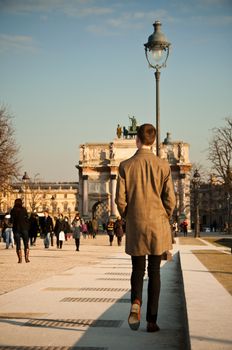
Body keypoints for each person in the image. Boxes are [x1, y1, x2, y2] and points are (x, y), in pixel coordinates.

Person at [115, 123, 176, 333]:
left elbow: (120, 200)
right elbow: (171, 200)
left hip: (136, 225)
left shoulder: (125, 166)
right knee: (155, 272)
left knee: (137, 269)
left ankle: (136, 302)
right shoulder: (163, 166)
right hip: (158, 225)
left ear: (137, 140)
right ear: (154, 141)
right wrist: (163, 215)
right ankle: (152, 320)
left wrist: (128, 216)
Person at [10, 198, 30, 263]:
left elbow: (11, 221)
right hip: (24, 228)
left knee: (18, 244)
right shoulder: (24, 210)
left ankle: (20, 259)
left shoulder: (13, 210)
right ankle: (26, 258)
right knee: (26, 243)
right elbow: (27, 218)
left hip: (16, 229)